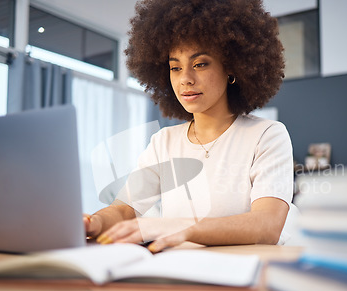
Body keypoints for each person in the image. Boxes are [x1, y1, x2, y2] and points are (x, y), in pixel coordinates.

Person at [83, 0, 294, 253]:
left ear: (232, 67)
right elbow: (125, 208)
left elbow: (267, 226)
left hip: (246, 276)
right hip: (180, 275)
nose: (185, 79)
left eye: (200, 64)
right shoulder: (164, 142)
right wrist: (94, 223)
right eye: (175, 67)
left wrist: (180, 229)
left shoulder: (266, 135)